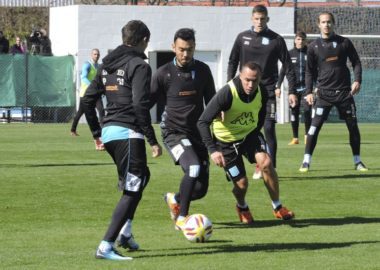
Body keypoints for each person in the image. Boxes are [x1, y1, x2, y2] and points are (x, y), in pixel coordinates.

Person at [82, 20, 162, 261]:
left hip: (110, 134)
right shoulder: (138, 65)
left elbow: (87, 101)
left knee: (142, 176)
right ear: (143, 40)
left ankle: (125, 233)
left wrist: (97, 134)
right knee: (132, 187)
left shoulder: (107, 65)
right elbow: (139, 104)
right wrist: (152, 139)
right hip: (128, 133)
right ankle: (106, 245)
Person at [198, 61, 295, 224]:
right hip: (226, 142)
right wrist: (213, 150)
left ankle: (278, 207)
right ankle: (242, 206)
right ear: (240, 76)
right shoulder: (227, 92)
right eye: (247, 80)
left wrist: (255, 133)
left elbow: (261, 114)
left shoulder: (262, 91)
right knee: (242, 184)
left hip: (249, 136)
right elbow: (202, 122)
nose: (251, 84)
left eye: (255, 80)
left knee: (266, 162)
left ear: (260, 79)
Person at [150, 28, 216, 230]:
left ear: (194, 47)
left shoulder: (203, 71)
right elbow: (146, 104)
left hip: (198, 135)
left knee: (200, 189)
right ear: (173, 47)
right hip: (173, 133)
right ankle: (182, 218)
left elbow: (212, 104)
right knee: (193, 168)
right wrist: (150, 139)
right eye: (181, 49)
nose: (185, 54)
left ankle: (175, 198)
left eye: (189, 49)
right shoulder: (163, 74)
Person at [227, 5, 297, 180]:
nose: (259, 22)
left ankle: (271, 167)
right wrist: (229, 84)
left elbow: (288, 66)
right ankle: (254, 163)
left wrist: (292, 91)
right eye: (256, 18)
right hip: (245, 93)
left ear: (267, 19)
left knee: (268, 128)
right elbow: (232, 61)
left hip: (267, 93)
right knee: (246, 128)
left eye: (263, 19)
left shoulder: (276, 40)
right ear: (252, 18)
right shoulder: (242, 38)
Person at [299, 12, 368, 172]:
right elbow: (309, 72)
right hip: (323, 94)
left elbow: (356, 62)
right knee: (313, 128)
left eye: (329, 22)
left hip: (344, 93)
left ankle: (357, 161)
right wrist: (309, 91)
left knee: (353, 127)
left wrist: (357, 80)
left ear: (333, 23)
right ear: (319, 24)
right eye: (323, 22)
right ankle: (306, 161)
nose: (326, 25)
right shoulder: (313, 47)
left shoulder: (344, 42)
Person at [277, 31, 311, 145]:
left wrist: (317, 86)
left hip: (307, 88)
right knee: (294, 112)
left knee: (307, 110)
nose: (300, 41)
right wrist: (278, 86)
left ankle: (307, 136)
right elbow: (282, 71)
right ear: (295, 40)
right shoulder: (290, 54)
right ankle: (295, 138)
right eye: (298, 39)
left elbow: (316, 70)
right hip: (293, 89)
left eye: (302, 39)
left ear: (305, 41)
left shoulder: (310, 53)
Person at [70, 48, 105, 144]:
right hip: (86, 94)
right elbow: (83, 77)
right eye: (94, 54)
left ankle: (103, 133)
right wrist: (92, 86)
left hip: (96, 93)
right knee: (80, 113)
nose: (96, 56)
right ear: (91, 55)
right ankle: (73, 130)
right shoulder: (87, 64)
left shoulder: (99, 66)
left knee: (101, 110)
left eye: (97, 54)